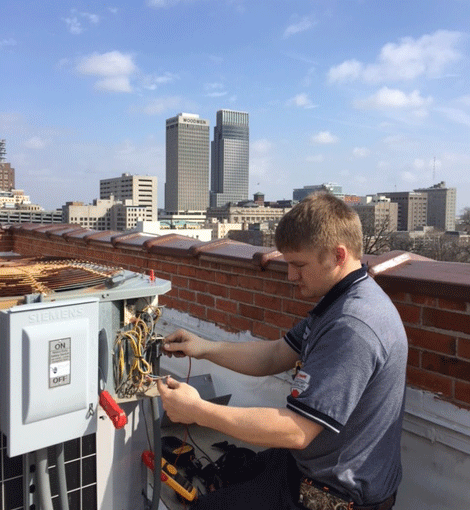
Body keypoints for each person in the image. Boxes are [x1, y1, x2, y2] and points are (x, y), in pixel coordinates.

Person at [157, 193, 407, 510]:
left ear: (338, 255)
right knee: (229, 472)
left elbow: (296, 431)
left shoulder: (353, 325)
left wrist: (198, 411)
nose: (291, 276)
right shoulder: (341, 301)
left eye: (298, 264)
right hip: (308, 467)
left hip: (336, 495)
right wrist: (205, 348)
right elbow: (276, 355)